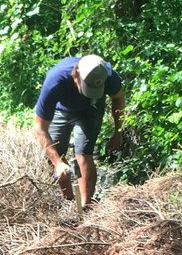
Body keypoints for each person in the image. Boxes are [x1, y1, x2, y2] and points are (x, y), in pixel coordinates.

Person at [33, 54, 126, 207]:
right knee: (55, 154)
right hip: (60, 109)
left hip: (91, 109)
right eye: (87, 87)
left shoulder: (108, 76)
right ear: (76, 75)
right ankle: (69, 202)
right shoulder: (55, 80)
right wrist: (57, 162)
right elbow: (39, 128)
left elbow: (119, 99)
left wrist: (118, 132)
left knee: (83, 155)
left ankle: (85, 207)